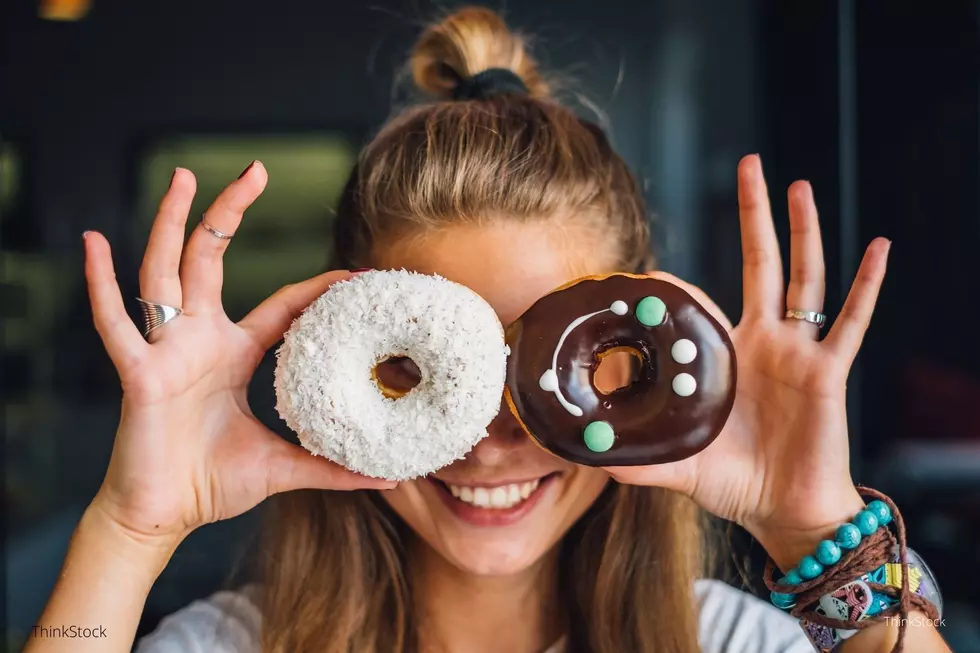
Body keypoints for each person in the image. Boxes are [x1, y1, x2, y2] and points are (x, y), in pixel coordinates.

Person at [26, 7, 950, 653]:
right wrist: (131, 530)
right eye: (429, 375)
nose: (493, 439)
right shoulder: (221, 645)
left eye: (547, 363)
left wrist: (816, 532)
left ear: (637, 375)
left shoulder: (744, 643)